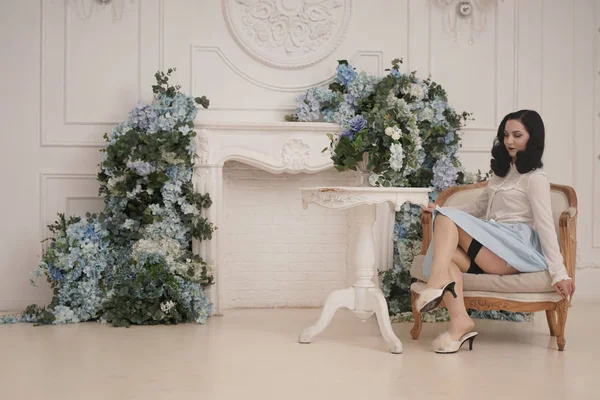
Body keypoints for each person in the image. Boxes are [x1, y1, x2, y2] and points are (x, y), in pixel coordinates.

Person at [417, 109, 575, 354]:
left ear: (532, 139)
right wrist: (440, 209)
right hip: (490, 246)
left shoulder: (535, 179)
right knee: (445, 249)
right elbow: (479, 208)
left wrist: (559, 273)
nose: (509, 141)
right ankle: (460, 323)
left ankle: (435, 283)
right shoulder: (501, 175)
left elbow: (545, 224)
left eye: (517, 135)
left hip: (513, 249)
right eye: (506, 135)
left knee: (446, 220)